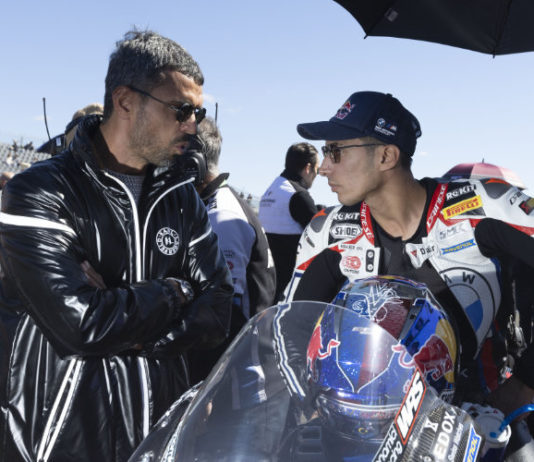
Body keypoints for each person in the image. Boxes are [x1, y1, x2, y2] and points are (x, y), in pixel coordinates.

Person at [0, 29, 233, 462]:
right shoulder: (40, 191)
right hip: (63, 441)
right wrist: (176, 291)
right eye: (181, 110)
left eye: (198, 113)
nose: (193, 125)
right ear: (125, 100)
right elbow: (83, 325)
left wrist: (122, 313)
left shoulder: (182, 196)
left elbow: (219, 309)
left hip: (161, 439)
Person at [287, 91, 534, 434]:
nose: (324, 166)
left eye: (336, 151)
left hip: (478, 421)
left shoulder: (483, 205)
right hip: (365, 428)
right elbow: (288, 331)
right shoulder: (326, 232)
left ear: (386, 155)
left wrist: (524, 383)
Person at [181, 116, 276, 382]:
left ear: (192, 163)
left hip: (235, 372)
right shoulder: (212, 204)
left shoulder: (221, 216)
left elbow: (221, 313)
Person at [258, 142, 321, 301]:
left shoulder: (271, 190)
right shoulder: (297, 195)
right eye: (317, 169)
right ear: (308, 168)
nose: (317, 175)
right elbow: (320, 236)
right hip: (287, 287)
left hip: (266, 280)